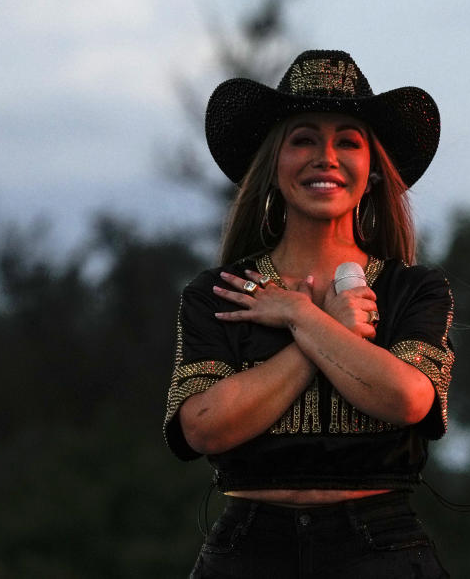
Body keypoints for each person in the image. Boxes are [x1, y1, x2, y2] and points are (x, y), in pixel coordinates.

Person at [163, 50, 454, 578]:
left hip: (379, 548)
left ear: (373, 173)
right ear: (273, 167)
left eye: (348, 140)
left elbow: (409, 398)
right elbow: (203, 427)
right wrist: (323, 330)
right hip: (249, 550)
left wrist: (301, 316)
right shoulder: (218, 292)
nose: (326, 156)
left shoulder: (415, 289)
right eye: (303, 139)